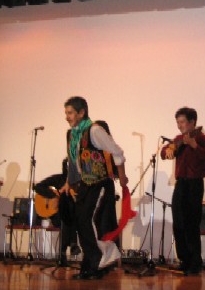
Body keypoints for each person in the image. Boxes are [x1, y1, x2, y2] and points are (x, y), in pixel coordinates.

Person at [59, 96, 128, 280]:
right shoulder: (72, 134)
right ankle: (92, 264)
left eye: (70, 113)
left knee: (86, 220)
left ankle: (98, 260)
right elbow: (73, 162)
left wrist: (122, 177)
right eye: (66, 113)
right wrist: (68, 182)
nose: (67, 117)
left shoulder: (95, 130)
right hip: (85, 185)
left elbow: (117, 152)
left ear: (81, 112)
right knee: (81, 222)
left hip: (100, 183)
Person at [160, 106, 205, 276]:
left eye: (182, 122)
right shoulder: (178, 139)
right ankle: (184, 260)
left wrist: (194, 145)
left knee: (191, 223)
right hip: (181, 183)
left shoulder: (201, 138)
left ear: (192, 122)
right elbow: (163, 152)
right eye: (178, 122)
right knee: (178, 222)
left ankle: (195, 262)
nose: (179, 125)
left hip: (194, 183)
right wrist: (168, 150)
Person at [34, 158, 80, 265]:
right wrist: (53, 196)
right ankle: (73, 243)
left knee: (69, 210)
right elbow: (38, 187)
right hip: (57, 216)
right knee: (67, 214)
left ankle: (64, 252)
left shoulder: (79, 182)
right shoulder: (58, 179)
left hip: (71, 216)